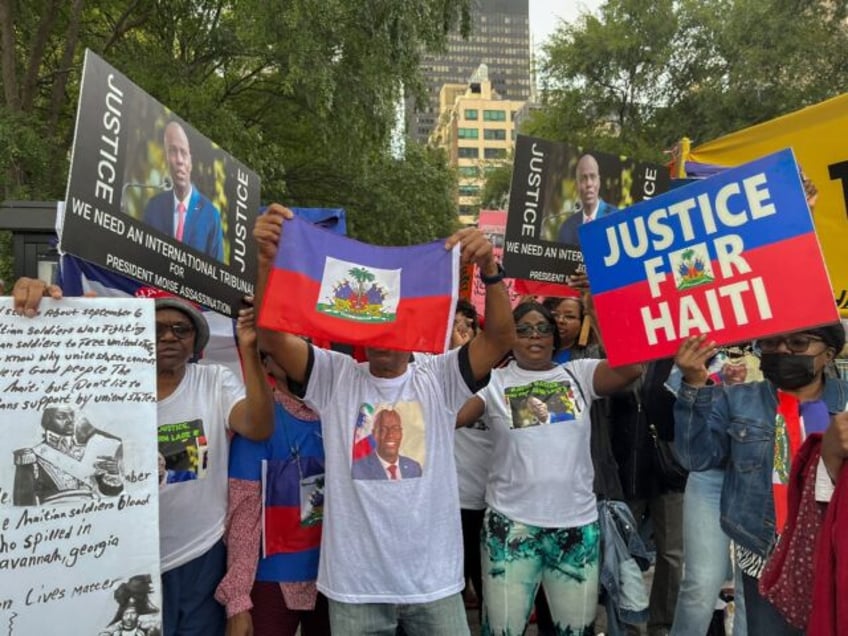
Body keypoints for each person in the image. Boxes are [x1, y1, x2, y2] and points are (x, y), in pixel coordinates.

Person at [253, 203, 515, 635]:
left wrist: (489, 267)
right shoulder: (335, 377)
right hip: (356, 589)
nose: (380, 340)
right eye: (371, 330)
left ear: (412, 330)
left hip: (434, 586)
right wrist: (267, 263)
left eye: (392, 328)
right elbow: (271, 336)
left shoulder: (440, 377)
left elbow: (502, 337)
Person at [11, 279, 274, 636]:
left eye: (180, 329)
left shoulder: (213, 381)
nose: (168, 337)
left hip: (199, 554)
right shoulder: (101, 388)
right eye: (155, 328)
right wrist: (32, 307)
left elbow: (257, 426)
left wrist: (251, 350)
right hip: (122, 559)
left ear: (196, 342)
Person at [456, 301, 644, 635]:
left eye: (543, 328)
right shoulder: (494, 383)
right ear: (511, 337)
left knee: (574, 630)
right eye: (524, 329)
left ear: (555, 338)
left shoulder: (579, 374)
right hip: (510, 529)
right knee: (502, 630)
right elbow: (452, 417)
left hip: (576, 529)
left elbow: (630, 369)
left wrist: (598, 309)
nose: (534, 336)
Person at [674, 324, 848, 634]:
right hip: (765, 552)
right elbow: (696, 458)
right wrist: (694, 384)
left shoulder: (846, 405)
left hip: (835, 554)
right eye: (770, 342)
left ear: (829, 354)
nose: (782, 350)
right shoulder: (737, 399)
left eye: (798, 343)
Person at [215, 350, 330, 636]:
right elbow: (244, 514)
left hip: (336, 580)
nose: (295, 357)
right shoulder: (259, 422)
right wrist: (238, 601)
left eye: (301, 349)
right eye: (283, 350)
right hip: (273, 582)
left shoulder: (339, 412)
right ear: (265, 363)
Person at [143, 121, 225, 262]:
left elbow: (217, 276)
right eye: (173, 151)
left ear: (190, 162)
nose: (179, 160)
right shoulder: (154, 208)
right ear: (166, 158)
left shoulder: (211, 216)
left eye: (184, 153)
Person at [13, 405, 124, 505]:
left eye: (72, 415)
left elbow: (110, 492)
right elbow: (23, 504)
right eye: (62, 416)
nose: (70, 420)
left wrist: (113, 474)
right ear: (47, 421)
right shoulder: (32, 457)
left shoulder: (87, 451)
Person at [557, 154, 618, 246]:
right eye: (583, 178)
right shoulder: (567, 229)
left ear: (599, 182)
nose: (589, 184)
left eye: (593, 177)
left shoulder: (616, 218)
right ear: (577, 185)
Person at [351, 408, 422, 480]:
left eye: (395, 429)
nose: (390, 435)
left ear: (401, 433)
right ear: (374, 434)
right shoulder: (359, 470)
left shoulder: (414, 468)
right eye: (383, 430)